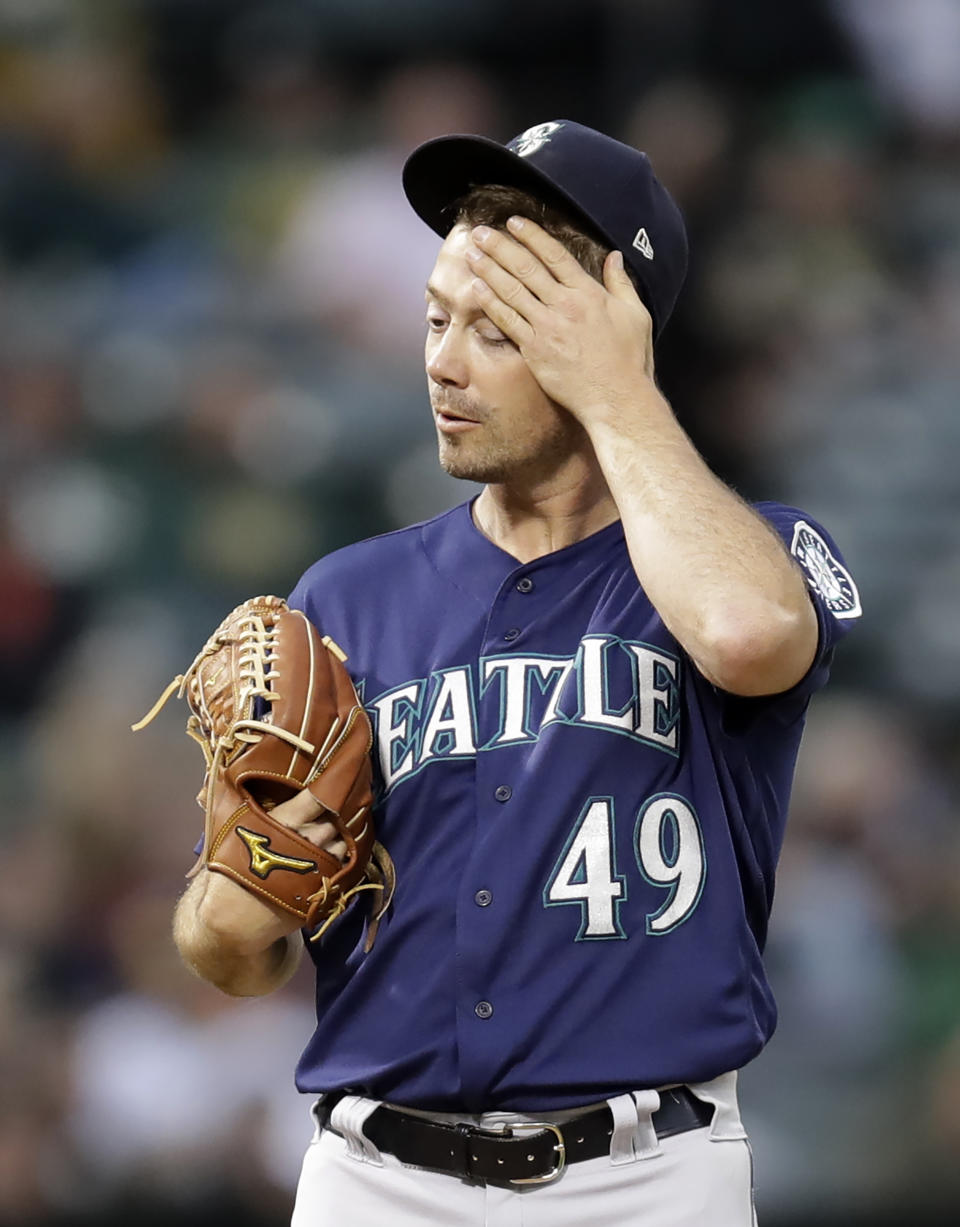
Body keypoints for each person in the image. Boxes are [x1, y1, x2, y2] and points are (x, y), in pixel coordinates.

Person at [173, 120, 862, 1226]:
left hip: (645, 1178)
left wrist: (620, 394)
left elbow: (744, 635)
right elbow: (233, 954)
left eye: (495, 331)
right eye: (437, 319)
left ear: (613, 338)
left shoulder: (753, 553)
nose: (441, 361)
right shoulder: (347, 597)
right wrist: (226, 910)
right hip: (372, 1178)